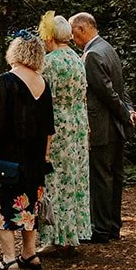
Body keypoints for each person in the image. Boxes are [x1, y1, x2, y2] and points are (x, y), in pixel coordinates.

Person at [0, 32, 55, 270]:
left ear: (15, 51)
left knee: (1, 205)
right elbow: (49, 128)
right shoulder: (43, 83)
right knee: (28, 205)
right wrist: (45, 156)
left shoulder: (6, 81)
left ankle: (9, 259)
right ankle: (29, 253)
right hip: (34, 158)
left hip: (7, 156)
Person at [71, 12, 136, 242]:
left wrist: (125, 114)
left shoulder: (91, 55)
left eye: (73, 33)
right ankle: (112, 226)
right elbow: (120, 88)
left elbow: (108, 93)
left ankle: (100, 229)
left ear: (82, 29)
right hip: (115, 125)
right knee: (114, 176)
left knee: (100, 178)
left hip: (102, 126)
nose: (72, 38)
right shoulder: (108, 48)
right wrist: (128, 110)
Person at [38, 12, 92, 251]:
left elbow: (41, 97)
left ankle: (54, 236)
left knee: (54, 179)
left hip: (56, 126)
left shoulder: (49, 63)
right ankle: (72, 234)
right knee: (74, 179)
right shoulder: (77, 60)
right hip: (76, 124)